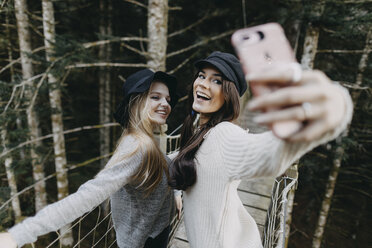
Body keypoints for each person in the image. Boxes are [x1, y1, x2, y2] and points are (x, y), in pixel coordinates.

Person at [169, 51, 353, 248]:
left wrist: (332, 105)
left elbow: (270, 152)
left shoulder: (224, 135)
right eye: (202, 76)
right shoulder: (199, 128)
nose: (204, 84)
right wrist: (176, 190)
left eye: (217, 81)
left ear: (229, 95)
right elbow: (189, 158)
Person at [0, 69, 181, 248]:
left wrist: (174, 193)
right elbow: (86, 197)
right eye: (155, 97)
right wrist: (18, 235)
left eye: (168, 99)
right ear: (136, 103)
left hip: (157, 233)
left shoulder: (147, 141)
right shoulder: (139, 149)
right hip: (144, 242)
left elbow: (162, 164)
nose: (165, 103)